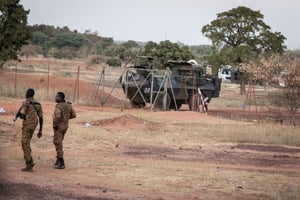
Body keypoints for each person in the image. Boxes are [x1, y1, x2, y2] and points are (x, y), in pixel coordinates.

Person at [17, 88, 43, 172]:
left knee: (24, 144)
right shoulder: (38, 104)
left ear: (28, 94)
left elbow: (22, 114)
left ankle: (29, 163)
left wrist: (20, 115)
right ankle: (29, 160)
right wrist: (40, 130)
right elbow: (41, 118)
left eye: (26, 93)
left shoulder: (26, 102)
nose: (25, 94)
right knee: (27, 142)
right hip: (34, 125)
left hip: (27, 125)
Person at [52, 92, 76, 169]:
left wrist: (55, 125)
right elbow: (73, 115)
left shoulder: (58, 106)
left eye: (57, 96)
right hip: (65, 126)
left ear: (61, 98)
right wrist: (65, 119)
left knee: (57, 143)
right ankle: (58, 159)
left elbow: (58, 116)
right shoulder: (69, 105)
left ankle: (61, 161)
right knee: (59, 142)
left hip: (59, 127)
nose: (55, 98)